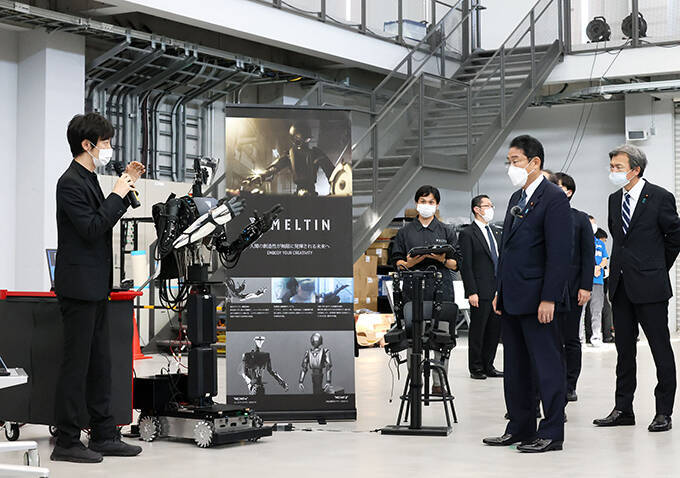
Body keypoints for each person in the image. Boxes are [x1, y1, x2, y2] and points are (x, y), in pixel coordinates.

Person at [52, 113, 144, 463]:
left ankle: (104, 434)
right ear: (87, 145)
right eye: (105, 142)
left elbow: (101, 221)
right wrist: (117, 195)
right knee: (76, 368)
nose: (109, 148)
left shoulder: (89, 179)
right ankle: (67, 441)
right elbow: (92, 228)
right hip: (78, 289)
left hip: (96, 287)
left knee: (99, 365)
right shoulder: (69, 183)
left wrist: (125, 186)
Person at [483, 135, 571, 453]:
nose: (511, 167)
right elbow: (507, 249)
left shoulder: (554, 198)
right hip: (512, 297)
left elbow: (560, 253)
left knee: (547, 367)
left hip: (538, 300)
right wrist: (499, 291)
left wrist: (549, 297)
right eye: (509, 162)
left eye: (516, 161)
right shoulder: (516, 198)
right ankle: (520, 427)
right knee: (516, 368)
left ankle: (552, 432)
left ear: (535, 162)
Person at [594, 144, 680, 433]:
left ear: (636, 169)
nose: (613, 172)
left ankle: (663, 412)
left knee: (660, 349)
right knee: (624, 352)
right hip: (620, 286)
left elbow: (674, 236)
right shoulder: (613, 199)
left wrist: (656, 267)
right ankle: (623, 409)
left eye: (618, 167)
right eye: (611, 167)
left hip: (651, 287)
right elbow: (619, 238)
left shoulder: (660, 197)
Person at [391, 185, 461, 395]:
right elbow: (397, 261)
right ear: (416, 203)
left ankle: (439, 383)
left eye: (431, 202)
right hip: (413, 290)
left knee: (442, 337)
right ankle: (415, 382)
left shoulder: (447, 231)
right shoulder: (405, 232)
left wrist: (441, 259)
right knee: (414, 337)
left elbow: (456, 264)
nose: (427, 205)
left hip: (442, 290)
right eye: (423, 201)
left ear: (437, 205)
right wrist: (410, 263)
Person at [552, 172, 594, 403]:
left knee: (570, 338)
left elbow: (588, 256)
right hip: (547, 289)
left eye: (557, 186)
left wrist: (585, 287)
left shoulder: (580, 219)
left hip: (573, 288)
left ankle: (570, 384)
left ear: (568, 192)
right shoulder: (544, 216)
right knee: (550, 340)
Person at [459, 194, 503, 380]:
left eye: (491, 206)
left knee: (494, 330)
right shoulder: (468, 233)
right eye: (487, 206)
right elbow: (466, 265)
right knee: (479, 330)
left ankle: (488, 365)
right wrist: (472, 291)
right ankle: (476, 367)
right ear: (477, 209)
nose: (491, 209)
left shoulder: (494, 232)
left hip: (496, 289)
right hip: (480, 289)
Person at [579, 216, 609, 347]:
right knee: (581, 312)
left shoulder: (600, 244)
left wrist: (599, 267)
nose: (593, 226)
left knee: (596, 310)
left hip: (598, 281)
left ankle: (596, 337)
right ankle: (580, 339)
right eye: (591, 224)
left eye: (594, 224)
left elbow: (605, 258)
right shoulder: (580, 241)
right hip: (583, 281)